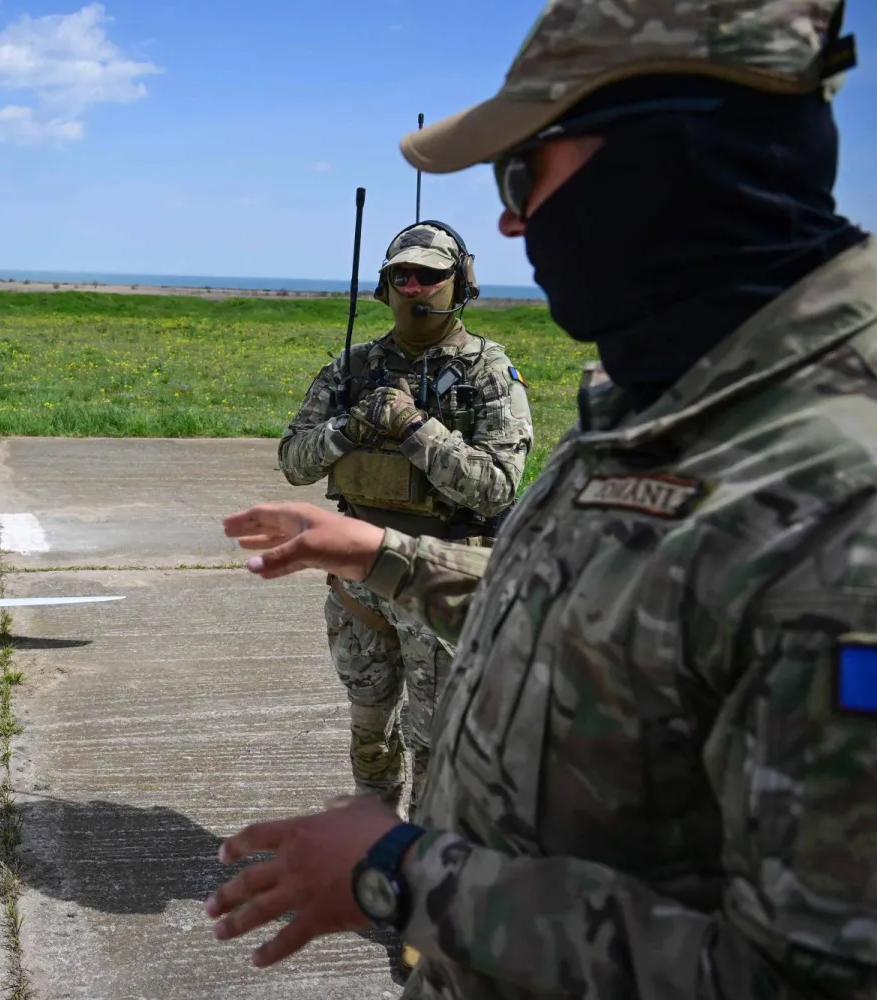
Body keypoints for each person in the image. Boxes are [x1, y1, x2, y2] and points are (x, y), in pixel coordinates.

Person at [206, 2, 877, 998]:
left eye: (524, 173)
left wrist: (400, 875)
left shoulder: (835, 500)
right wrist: (381, 550)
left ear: (668, 156)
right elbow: (595, 627)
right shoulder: (668, 400)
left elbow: (800, 977)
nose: (514, 220)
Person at [278, 221, 532, 812]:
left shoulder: (487, 372)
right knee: (370, 727)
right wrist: (348, 429)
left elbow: (497, 487)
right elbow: (293, 461)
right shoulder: (353, 368)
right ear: (384, 287)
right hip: (360, 579)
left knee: (436, 741)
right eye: (401, 275)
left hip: (440, 581)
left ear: (459, 283)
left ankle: (421, 870)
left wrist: (417, 429)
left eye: (430, 276)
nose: (414, 287)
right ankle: (369, 837)